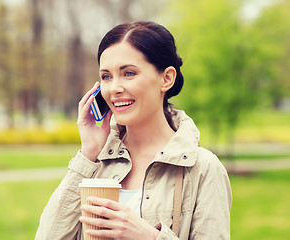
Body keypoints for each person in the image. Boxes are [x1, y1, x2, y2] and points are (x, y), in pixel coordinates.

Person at [35, 21, 232, 240]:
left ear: (166, 78)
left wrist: (149, 237)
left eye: (128, 73)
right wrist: (88, 153)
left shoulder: (203, 169)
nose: (114, 88)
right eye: (106, 76)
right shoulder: (95, 163)